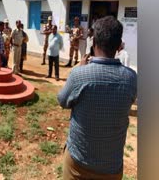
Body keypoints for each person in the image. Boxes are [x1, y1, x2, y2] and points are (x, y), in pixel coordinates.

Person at [58, 16, 137, 180]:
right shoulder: (131, 79)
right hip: (111, 168)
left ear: (93, 43)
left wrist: (78, 69)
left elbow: (62, 101)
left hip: (78, 164)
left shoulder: (79, 75)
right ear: (118, 46)